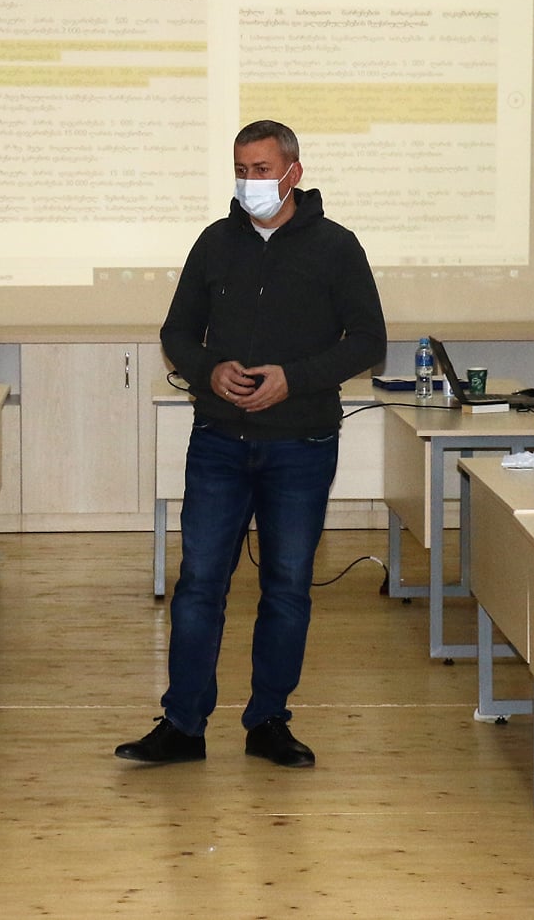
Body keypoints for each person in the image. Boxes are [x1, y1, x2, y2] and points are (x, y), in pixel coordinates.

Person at [117, 120, 385, 769]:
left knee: (287, 587)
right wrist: (208, 369)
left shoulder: (336, 246)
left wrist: (295, 377)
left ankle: (268, 720)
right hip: (219, 441)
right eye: (241, 169)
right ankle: (182, 725)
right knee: (199, 584)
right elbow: (177, 333)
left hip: (301, 443)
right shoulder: (214, 242)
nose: (249, 181)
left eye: (262, 169)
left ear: (293, 172)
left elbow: (367, 340)